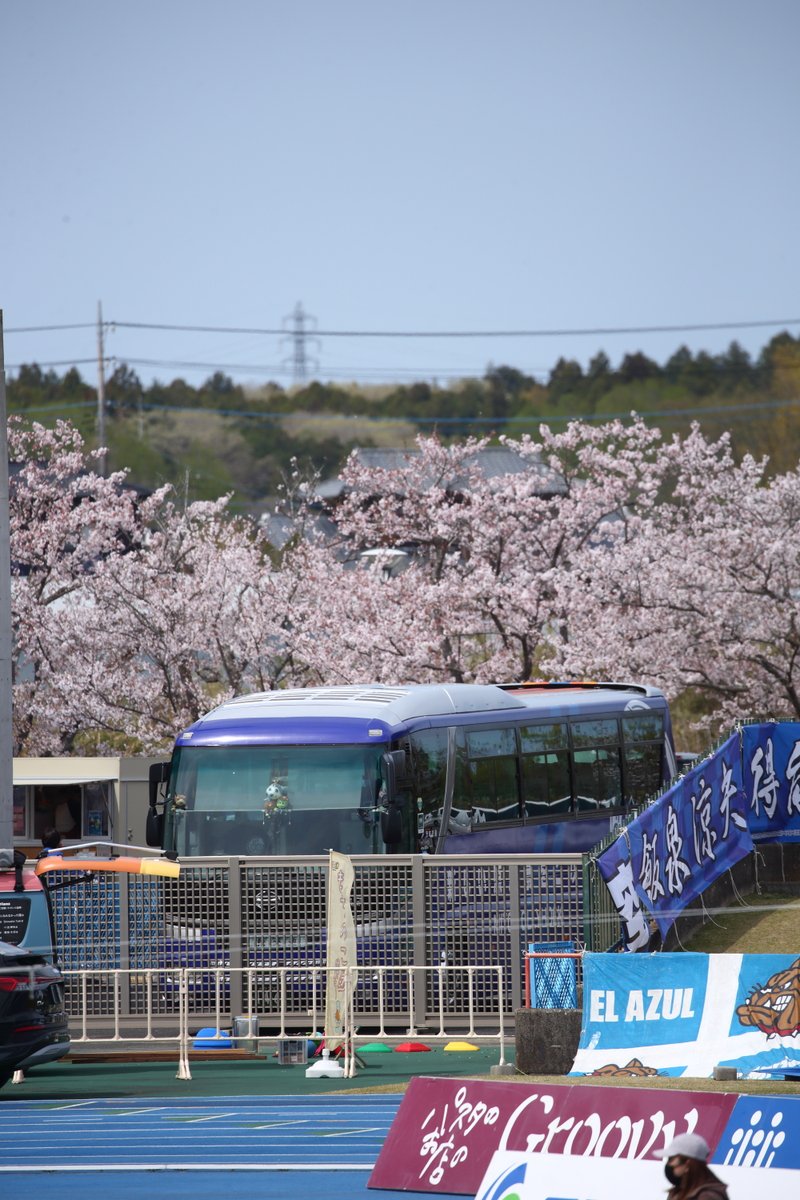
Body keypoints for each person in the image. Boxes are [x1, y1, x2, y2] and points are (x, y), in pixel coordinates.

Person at [654, 1132, 728, 1199]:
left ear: (688, 1164)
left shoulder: (708, 1197)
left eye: (671, 1159)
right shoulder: (679, 1191)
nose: (668, 1165)